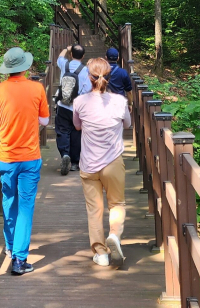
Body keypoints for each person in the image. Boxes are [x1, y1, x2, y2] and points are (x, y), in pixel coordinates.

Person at [0, 46, 49, 276]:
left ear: (7, 69)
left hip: (7, 157)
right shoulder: (37, 88)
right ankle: (19, 260)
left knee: (8, 201)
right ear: (25, 67)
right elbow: (44, 120)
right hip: (30, 157)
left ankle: (11, 246)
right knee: (25, 207)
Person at [72, 57, 131, 268]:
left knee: (94, 210)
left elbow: (77, 126)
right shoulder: (120, 102)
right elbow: (127, 124)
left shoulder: (79, 102)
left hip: (88, 164)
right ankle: (114, 235)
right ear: (110, 75)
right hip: (113, 161)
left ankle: (101, 253)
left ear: (89, 77)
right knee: (117, 204)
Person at [54, 43, 91, 175]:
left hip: (63, 105)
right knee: (77, 133)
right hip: (78, 107)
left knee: (62, 131)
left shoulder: (65, 64)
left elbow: (59, 58)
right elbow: (88, 90)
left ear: (71, 54)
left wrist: (66, 49)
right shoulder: (87, 70)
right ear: (84, 56)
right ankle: (75, 162)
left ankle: (65, 154)